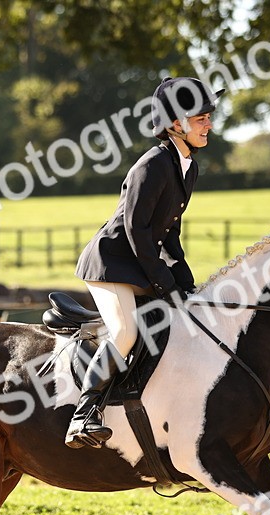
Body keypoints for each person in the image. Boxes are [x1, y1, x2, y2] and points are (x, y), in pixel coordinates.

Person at [65, 76, 222, 449]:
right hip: (111, 264)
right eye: (200, 118)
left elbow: (169, 234)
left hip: (137, 263)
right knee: (125, 332)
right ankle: (82, 414)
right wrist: (163, 282)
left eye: (208, 117)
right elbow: (136, 230)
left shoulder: (187, 167)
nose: (209, 125)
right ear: (174, 124)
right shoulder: (152, 165)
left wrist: (186, 282)